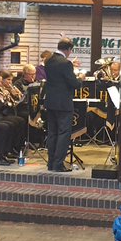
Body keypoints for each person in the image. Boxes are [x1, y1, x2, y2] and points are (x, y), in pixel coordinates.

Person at [43, 39, 79, 171]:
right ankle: (58, 164)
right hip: (63, 103)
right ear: (68, 49)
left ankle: (51, 163)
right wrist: (80, 79)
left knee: (52, 132)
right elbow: (73, 83)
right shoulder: (66, 63)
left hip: (51, 102)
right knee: (64, 133)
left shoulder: (49, 60)